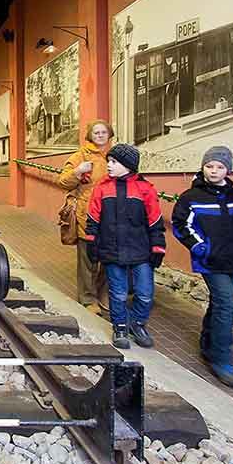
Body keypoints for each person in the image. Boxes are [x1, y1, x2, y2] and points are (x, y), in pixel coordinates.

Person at [172, 147, 233, 389]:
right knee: (227, 304)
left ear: (228, 170)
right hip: (210, 262)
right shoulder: (190, 197)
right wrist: (200, 247)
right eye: (209, 166)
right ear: (203, 167)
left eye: (219, 167)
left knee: (219, 304)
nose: (214, 171)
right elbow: (181, 225)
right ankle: (222, 359)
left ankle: (207, 343)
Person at [84, 143, 165, 349]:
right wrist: (92, 242)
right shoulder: (101, 189)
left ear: (128, 165)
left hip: (141, 251)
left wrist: (158, 246)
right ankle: (120, 326)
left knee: (145, 292)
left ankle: (137, 324)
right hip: (112, 250)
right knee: (118, 292)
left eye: (114, 162)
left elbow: (155, 220)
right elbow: (93, 218)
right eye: (108, 161)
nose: (109, 166)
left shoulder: (145, 189)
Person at [57, 120, 114, 314]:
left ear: (109, 134)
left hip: (111, 214)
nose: (100, 135)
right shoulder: (80, 156)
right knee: (88, 259)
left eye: (103, 132)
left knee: (109, 256)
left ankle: (102, 294)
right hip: (87, 213)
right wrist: (78, 171)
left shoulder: (114, 155)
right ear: (90, 135)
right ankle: (88, 299)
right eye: (96, 132)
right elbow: (63, 181)